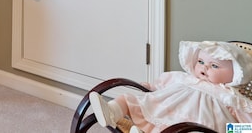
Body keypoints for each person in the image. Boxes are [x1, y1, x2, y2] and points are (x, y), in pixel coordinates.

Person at [88, 41, 252, 133]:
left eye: (214, 66)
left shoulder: (229, 95)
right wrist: (148, 86)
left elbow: (244, 123)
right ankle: (111, 111)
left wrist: (233, 131)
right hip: (165, 110)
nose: (204, 68)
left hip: (197, 126)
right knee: (130, 99)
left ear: (234, 74)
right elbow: (160, 85)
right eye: (201, 62)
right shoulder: (185, 78)